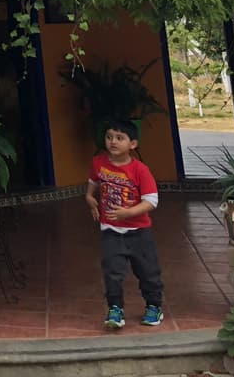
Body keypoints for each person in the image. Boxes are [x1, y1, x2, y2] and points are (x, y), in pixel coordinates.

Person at [85, 119, 164, 329]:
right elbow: (93, 181)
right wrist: (89, 197)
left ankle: (154, 306)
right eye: (109, 137)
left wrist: (128, 213)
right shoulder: (99, 163)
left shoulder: (140, 170)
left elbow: (152, 201)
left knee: (148, 271)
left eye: (120, 138)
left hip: (139, 232)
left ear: (133, 144)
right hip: (110, 230)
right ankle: (115, 309)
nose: (113, 141)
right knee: (112, 272)